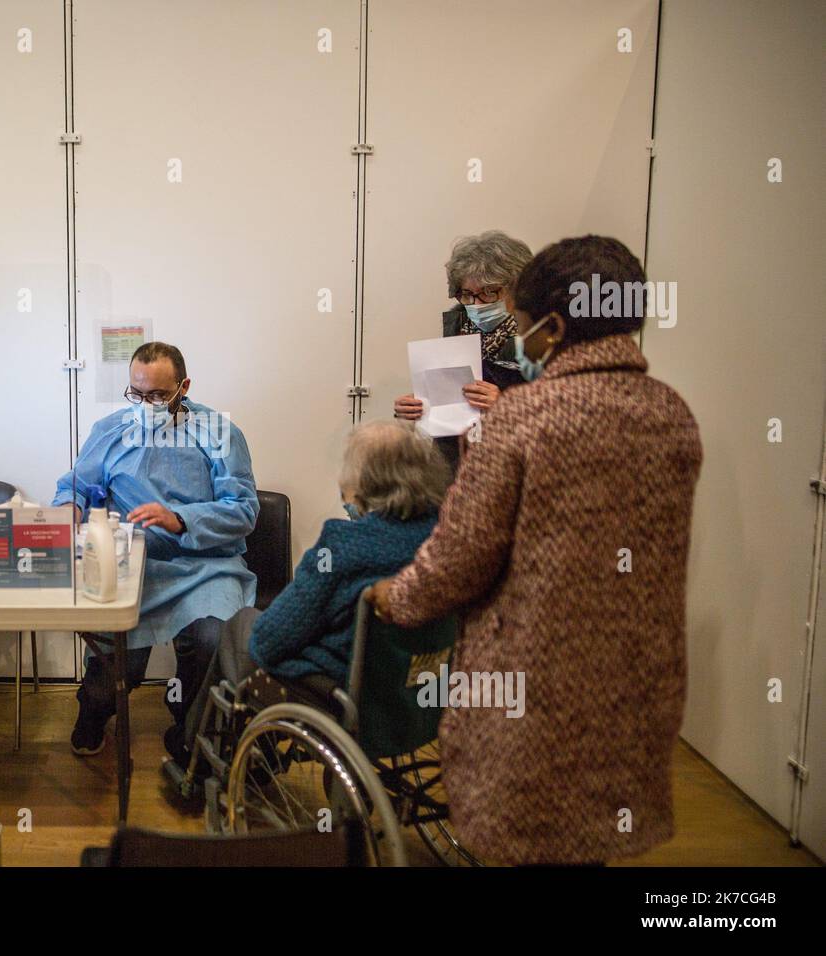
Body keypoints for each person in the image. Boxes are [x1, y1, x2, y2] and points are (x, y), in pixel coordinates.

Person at [369, 235, 703, 865]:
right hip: (638, 671)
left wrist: (396, 597)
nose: (514, 334)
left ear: (552, 326)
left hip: (535, 675)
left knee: (533, 837)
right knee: (590, 838)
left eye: (519, 320)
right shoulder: (671, 412)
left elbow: (461, 558)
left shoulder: (526, 417)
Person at [169, 419, 451, 767]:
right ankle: (243, 748)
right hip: (419, 699)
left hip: (345, 692)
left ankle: (193, 755)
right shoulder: (446, 539)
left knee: (240, 625)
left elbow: (269, 642)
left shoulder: (342, 546)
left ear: (365, 482)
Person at [52, 342, 259, 755]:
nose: (146, 404)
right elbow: (73, 487)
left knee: (210, 640)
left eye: (159, 396)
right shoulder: (110, 431)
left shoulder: (218, 432)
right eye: (137, 394)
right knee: (112, 664)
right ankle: (94, 709)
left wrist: (181, 519)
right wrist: (68, 510)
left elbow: (244, 510)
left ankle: (189, 732)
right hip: (130, 564)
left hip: (205, 567)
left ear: (184, 387)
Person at [394, 231, 533, 472]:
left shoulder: (538, 334)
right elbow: (449, 402)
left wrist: (505, 407)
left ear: (517, 287)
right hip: (457, 461)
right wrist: (418, 406)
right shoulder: (458, 325)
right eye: (467, 294)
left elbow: (561, 413)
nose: (477, 304)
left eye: (490, 292)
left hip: (516, 462)